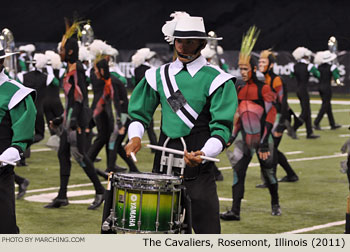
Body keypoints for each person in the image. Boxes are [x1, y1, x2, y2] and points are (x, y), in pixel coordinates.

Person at [125, 14, 237, 233]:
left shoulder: (218, 79)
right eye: (179, 41)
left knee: (208, 234)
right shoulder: (157, 75)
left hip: (198, 164)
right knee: (158, 231)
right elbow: (138, 115)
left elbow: (222, 129)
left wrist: (203, 153)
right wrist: (135, 136)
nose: (183, 46)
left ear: (202, 44)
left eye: (190, 41)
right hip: (163, 163)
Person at [221, 26, 281, 221]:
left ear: (254, 69)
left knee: (269, 175)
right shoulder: (240, 89)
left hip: (263, 140)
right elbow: (240, 118)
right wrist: (231, 136)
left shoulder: (264, 89)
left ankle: (275, 203)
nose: (243, 72)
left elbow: (272, 114)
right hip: (245, 139)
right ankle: (235, 211)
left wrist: (264, 141)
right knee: (238, 173)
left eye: (246, 69)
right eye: (240, 69)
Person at [44, 20, 105, 210]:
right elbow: (71, 100)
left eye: (62, 50)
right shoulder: (69, 69)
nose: (60, 53)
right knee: (63, 154)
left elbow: (79, 99)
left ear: (70, 52)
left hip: (78, 122)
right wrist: (59, 119)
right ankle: (62, 196)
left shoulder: (77, 68)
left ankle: (100, 191)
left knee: (81, 157)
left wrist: (70, 121)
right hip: (70, 119)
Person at [0, 43, 36, 233]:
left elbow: (22, 137)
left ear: (2, 61)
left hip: (1, 173)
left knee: (5, 230)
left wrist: (5, 157)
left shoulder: (16, 92)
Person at [257, 49, 298, 184]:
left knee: (270, 149)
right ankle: (291, 174)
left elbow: (283, 102)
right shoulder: (266, 80)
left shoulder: (276, 79)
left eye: (264, 61)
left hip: (280, 119)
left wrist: (281, 123)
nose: (260, 63)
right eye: (260, 61)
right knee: (273, 149)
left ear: (271, 65)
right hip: (273, 118)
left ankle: (270, 180)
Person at [290, 47, 320, 139]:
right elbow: (317, 74)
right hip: (304, 90)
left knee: (308, 111)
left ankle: (309, 132)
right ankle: (293, 129)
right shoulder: (309, 66)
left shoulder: (293, 66)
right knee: (305, 112)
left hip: (298, 89)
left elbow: (291, 76)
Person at [132, 47, 158, 148]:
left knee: (136, 120)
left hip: (138, 97)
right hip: (148, 98)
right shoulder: (150, 70)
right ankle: (154, 144)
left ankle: (130, 140)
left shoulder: (136, 69)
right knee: (148, 123)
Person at [313, 50, 342, 130]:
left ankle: (332, 124)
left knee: (327, 105)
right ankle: (316, 122)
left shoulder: (318, 66)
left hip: (320, 87)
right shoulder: (332, 67)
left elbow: (316, 75)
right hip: (327, 88)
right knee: (325, 105)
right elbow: (336, 77)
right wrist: (338, 82)